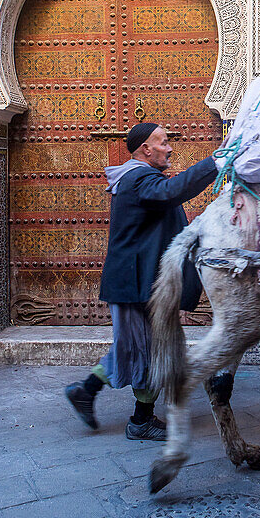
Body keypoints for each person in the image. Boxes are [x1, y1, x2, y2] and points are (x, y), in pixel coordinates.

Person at [65, 122, 216, 441]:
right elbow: (170, 193)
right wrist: (215, 162)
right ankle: (140, 420)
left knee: (134, 346)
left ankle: (86, 391)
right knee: (144, 349)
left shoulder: (138, 178)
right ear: (146, 149)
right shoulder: (138, 178)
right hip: (134, 283)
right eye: (162, 142)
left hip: (139, 281)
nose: (169, 148)